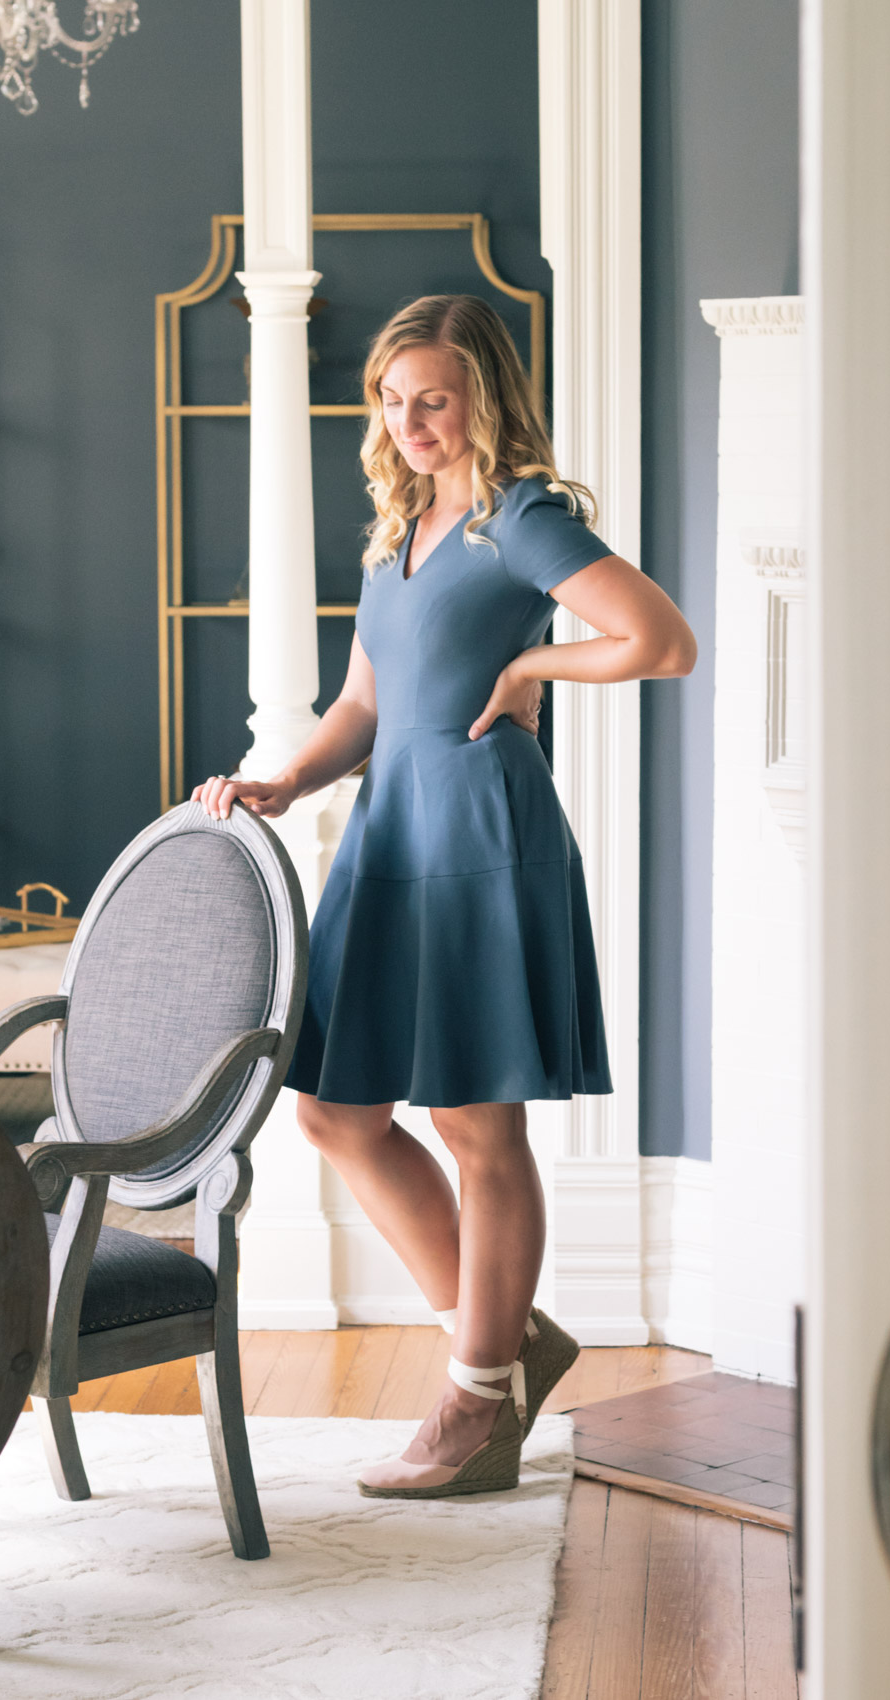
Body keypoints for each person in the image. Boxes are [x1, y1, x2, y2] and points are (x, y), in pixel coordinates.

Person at [193, 294, 696, 1500]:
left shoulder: (521, 517)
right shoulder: (399, 525)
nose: (409, 420)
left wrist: (529, 661)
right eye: (392, 398)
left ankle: (474, 1398)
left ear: (480, 397)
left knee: (477, 1124)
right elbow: (364, 706)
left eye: (433, 397)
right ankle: (505, 1343)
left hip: (480, 828)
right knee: (335, 1112)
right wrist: (281, 778)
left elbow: (656, 638)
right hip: (390, 830)